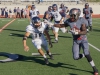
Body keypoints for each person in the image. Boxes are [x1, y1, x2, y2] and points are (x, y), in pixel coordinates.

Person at [54, 8, 98, 75]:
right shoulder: (69, 21)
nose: (71, 17)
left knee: (87, 53)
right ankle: (83, 55)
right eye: (71, 15)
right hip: (76, 41)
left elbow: (84, 31)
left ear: (77, 15)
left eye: (73, 15)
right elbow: (61, 25)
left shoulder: (82, 21)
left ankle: (94, 68)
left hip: (83, 40)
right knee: (75, 57)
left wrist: (77, 33)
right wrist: (52, 24)